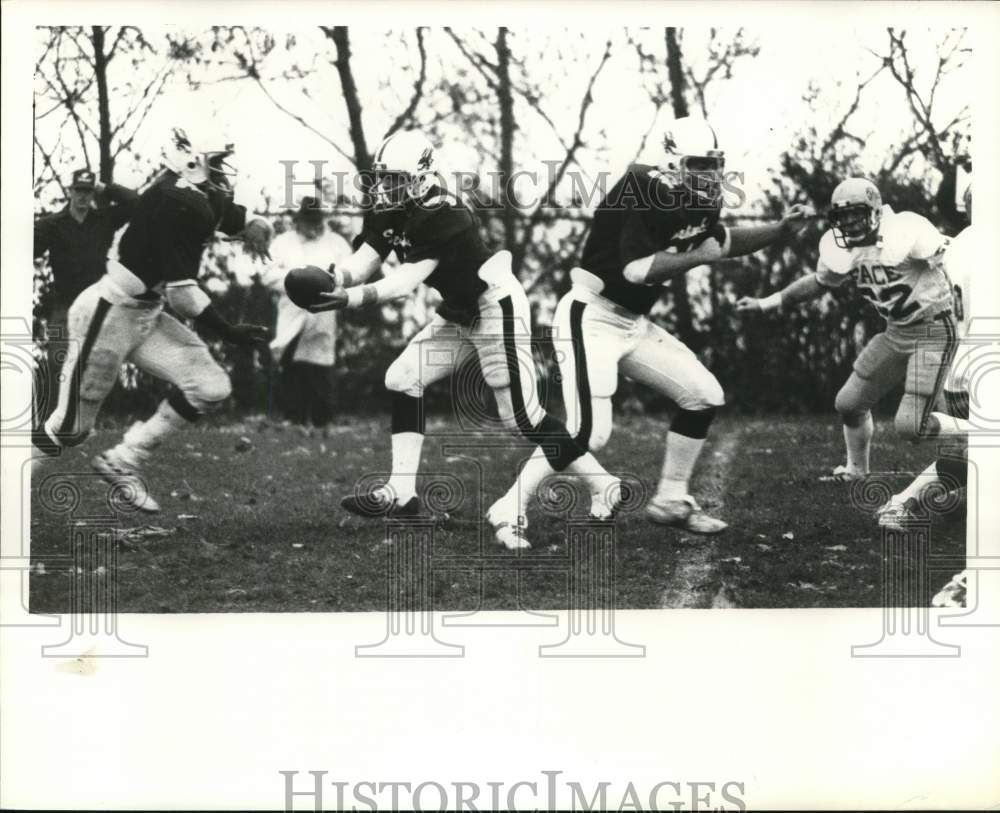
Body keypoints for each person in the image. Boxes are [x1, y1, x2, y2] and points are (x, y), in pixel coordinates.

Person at [305, 129, 621, 549]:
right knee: (402, 377)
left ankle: (604, 485)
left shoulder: (445, 212)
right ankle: (403, 493)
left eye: (396, 179)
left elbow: (406, 280)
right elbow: (365, 260)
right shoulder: (389, 207)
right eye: (384, 178)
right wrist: (335, 278)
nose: (387, 187)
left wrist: (351, 298)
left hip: (494, 306)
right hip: (459, 309)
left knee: (522, 419)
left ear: (421, 176)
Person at [546, 116, 812, 534]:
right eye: (698, 165)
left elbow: (722, 243)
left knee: (704, 394)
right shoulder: (641, 186)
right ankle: (512, 505)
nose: (709, 175)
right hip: (591, 315)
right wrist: (697, 257)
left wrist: (779, 229)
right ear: (672, 162)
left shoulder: (698, 200)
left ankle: (670, 500)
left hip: (631, 323)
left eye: (713, 164)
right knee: (591, 434)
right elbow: (636, 270)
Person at [31, 127, 272, 512]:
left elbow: (223, 214)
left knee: (210, 386)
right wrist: (227, 331)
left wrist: (255, 221)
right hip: (107, 314)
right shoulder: (175, 202)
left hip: (145, 315)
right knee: (70, 428)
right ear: (191, 162)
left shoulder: (188, 193)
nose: (223, 173)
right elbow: (182, 292)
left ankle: (124, 459)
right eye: (216, 163)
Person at [737, 177, 957, 481]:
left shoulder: (906, 229)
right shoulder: (841, 248)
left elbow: (955, 262)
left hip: (934, 329)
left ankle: (975, 445)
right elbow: (818, 283)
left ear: (877, 211)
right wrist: (766, 303)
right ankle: (856, 470)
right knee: (849, 404)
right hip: (896, 331)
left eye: (857, 214)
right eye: (843, 216)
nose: (850, 223)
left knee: (911, 426)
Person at [33, 168, 139, 419]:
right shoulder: (52, 224)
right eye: (78, 191)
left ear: (93, 193)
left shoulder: (103, 219)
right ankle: (47, 426)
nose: (82, 197)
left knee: (96, 366)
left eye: (87, 191)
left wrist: (104, 187)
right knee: (57, 361)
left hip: (98, 307)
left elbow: (135, 202)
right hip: (64, 307)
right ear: (70, 191)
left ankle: (82, 423)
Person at [260, 197, 351, 425]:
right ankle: (294, 417)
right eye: (308, 221)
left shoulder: (336, 243)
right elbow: (267, 274)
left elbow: (350, 273)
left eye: (317, 221)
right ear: (298, 221)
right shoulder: (282, 243)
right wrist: (297, 283)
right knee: (290, 362)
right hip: (291, 308)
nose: (313, 226)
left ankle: (323, 419)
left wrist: (324, 286)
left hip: (323, 311)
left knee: (320, 364)